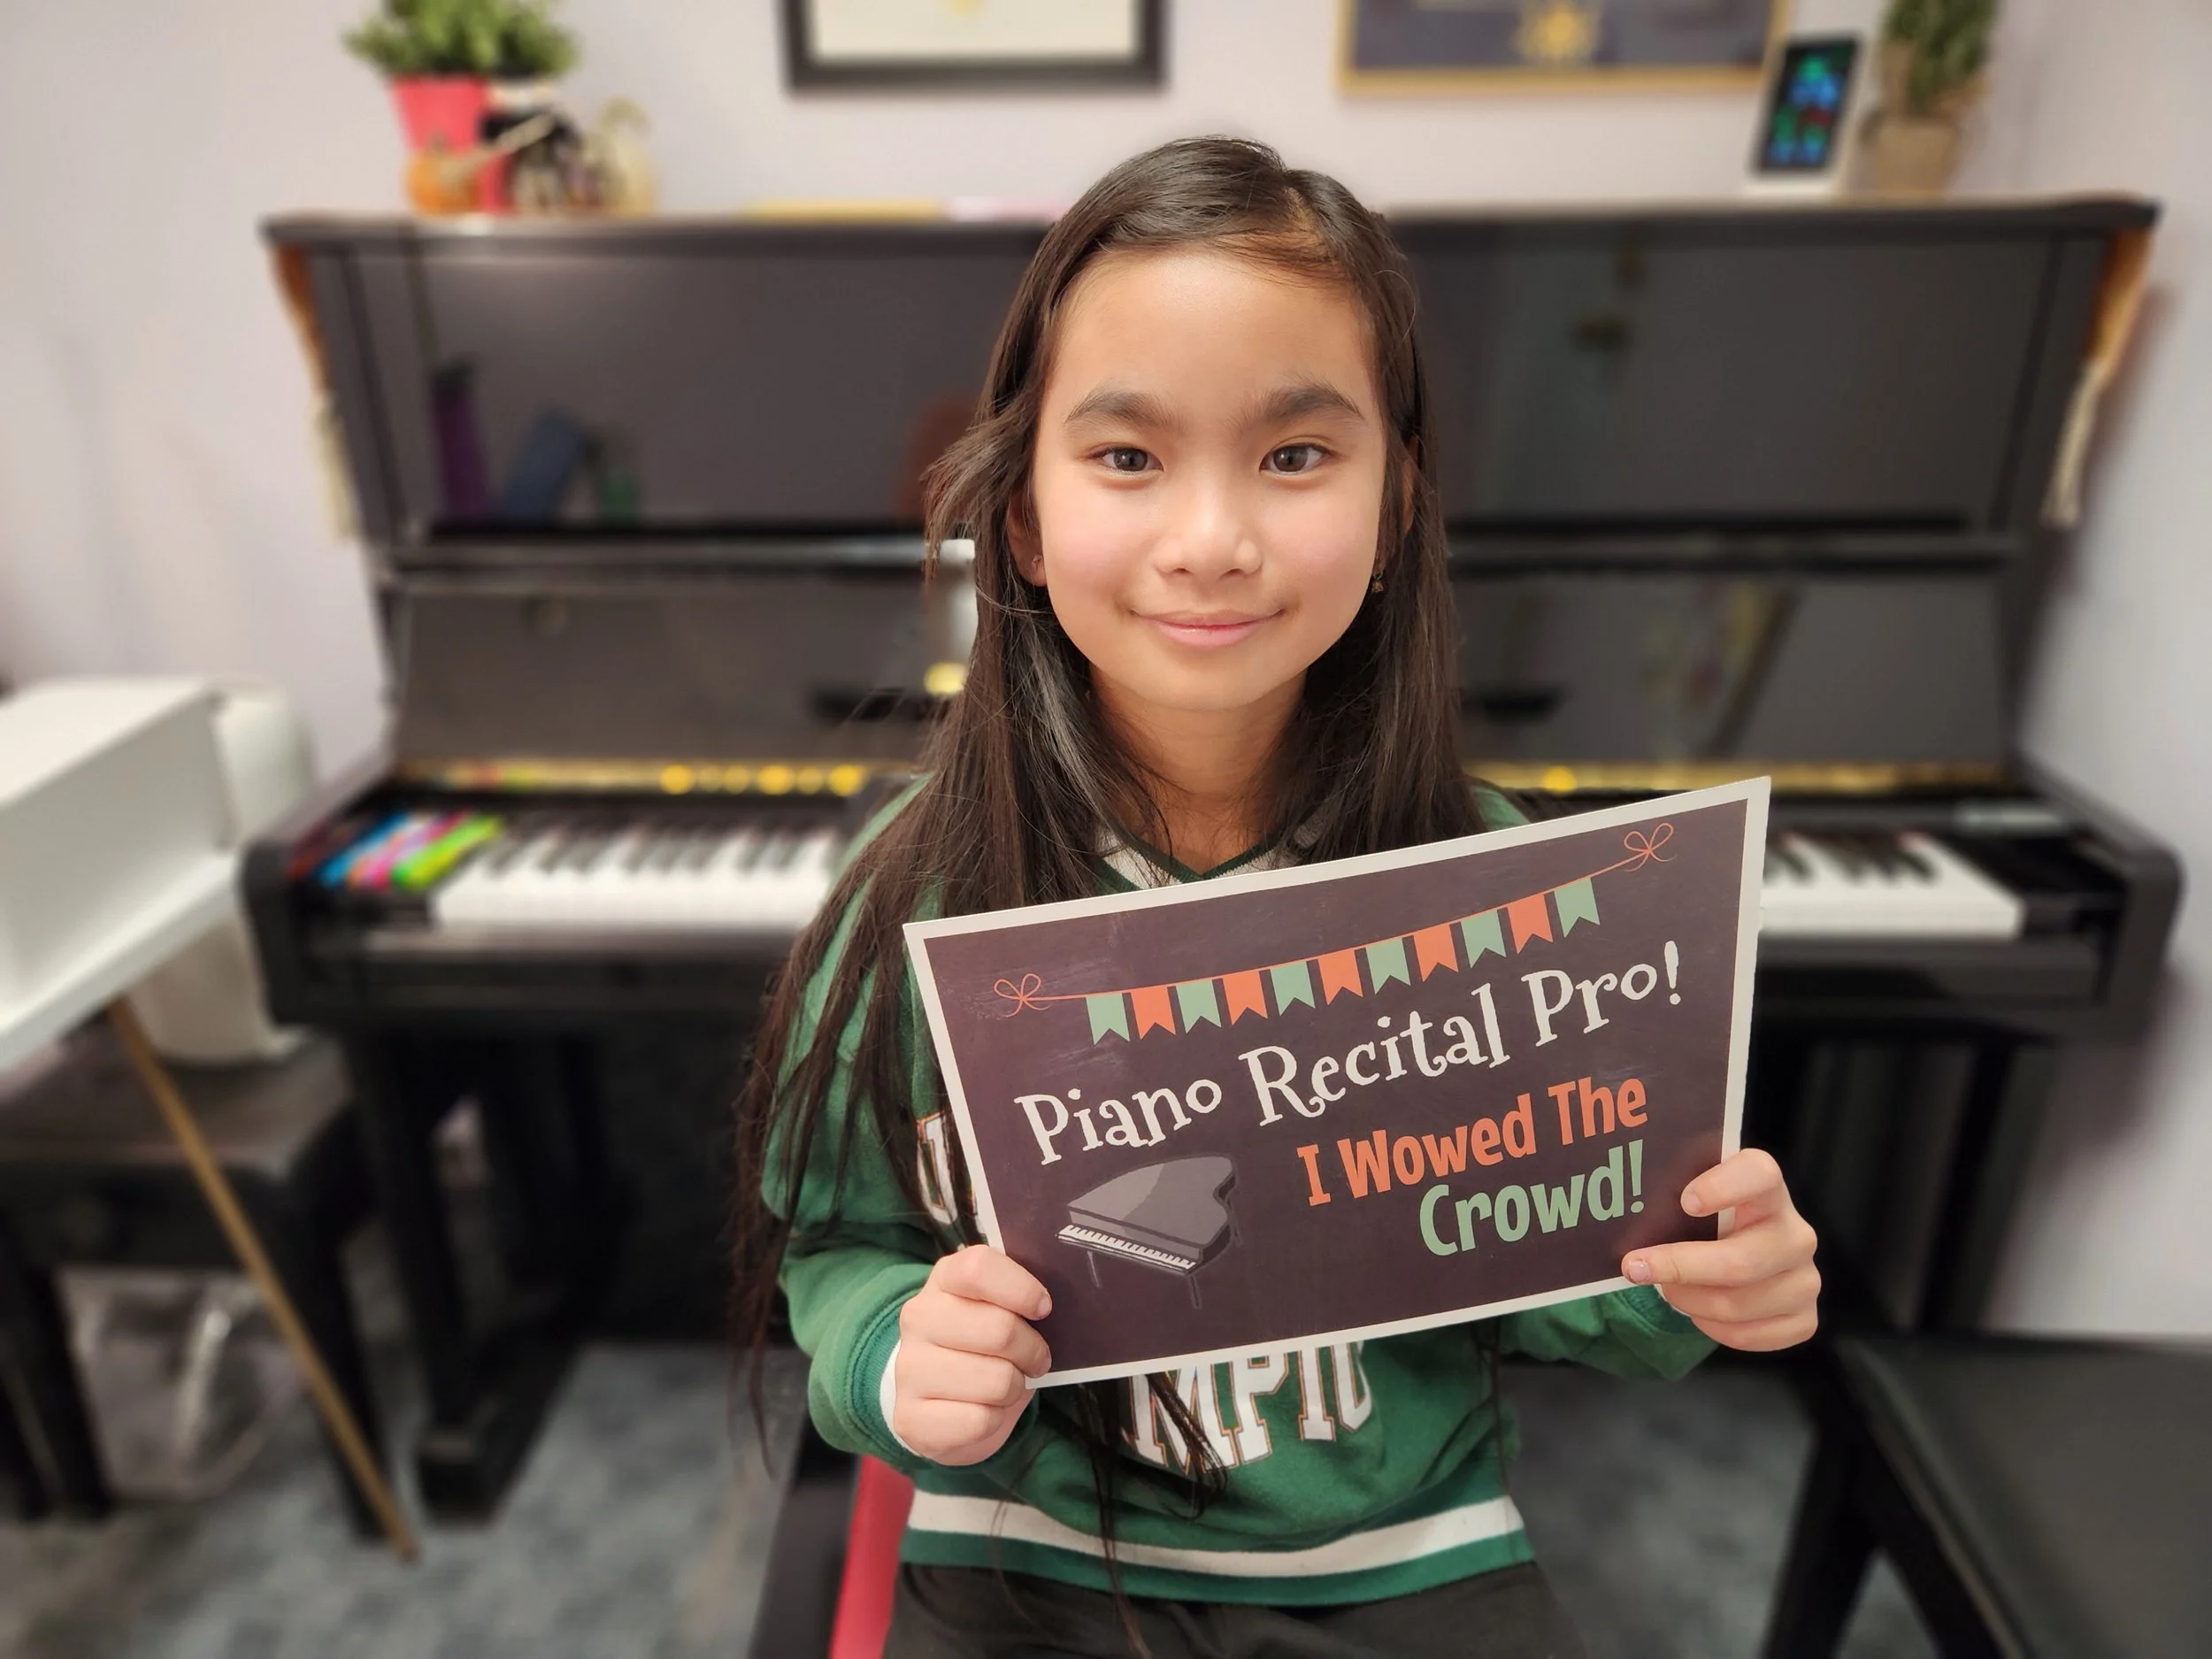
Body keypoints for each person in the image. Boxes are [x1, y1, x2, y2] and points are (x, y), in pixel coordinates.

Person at [733, 136, 1821, 1659]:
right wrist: (896, 1360)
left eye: (1296, 454)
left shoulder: (1498, 884)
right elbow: (835, 1249)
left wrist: (1709, 1276)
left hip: (1413, 1552)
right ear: (1026, 521)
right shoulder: (909, 895)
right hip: (1026, 1552)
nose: (1212, 539)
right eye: (1127, 455)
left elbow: (1587, 1268)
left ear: (1394, 507)